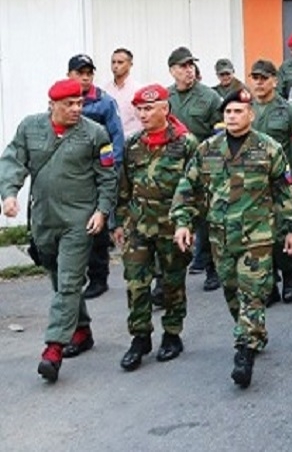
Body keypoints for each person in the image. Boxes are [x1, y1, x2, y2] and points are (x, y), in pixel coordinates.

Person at [172, 88, 292, 388]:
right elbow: (187, 188)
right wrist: (182, 222)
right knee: (232, 291)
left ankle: (244, 352)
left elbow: (285, 191)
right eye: (228, 112)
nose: (232, 116)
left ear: (251, 115)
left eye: (238, 111)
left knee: (252, 291)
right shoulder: (208, 149)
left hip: (256, 235)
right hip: (219, 236)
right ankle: (252, 331)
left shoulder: (268, 148)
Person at [0, 79, 116, 383]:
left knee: (68, 281)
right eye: (70, 104)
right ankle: (81, 329)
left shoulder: (95, 133)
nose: (77, 109)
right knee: (57, 276)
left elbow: (108, 176)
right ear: (52, 105)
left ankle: (53, 349)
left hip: (79, 221)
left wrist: (102, 211)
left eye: (80, 103)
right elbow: (13, 160)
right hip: (43, 219)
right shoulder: (30, 127)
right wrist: (9, 194)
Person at [114, 83, 199, 371]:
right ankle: (140, 338)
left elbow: (198, 188)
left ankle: (172, 334)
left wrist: (190, 224)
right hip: (138, 227)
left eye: (149, 108)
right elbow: (124, 187)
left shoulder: (186, 144)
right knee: (136, 285)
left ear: (165, 108)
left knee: (172, 283)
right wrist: (121, 222)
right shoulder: (133, 144)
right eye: (139, 108)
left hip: (172, 228)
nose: (142, 114)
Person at [246, 59, 292, 305]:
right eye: (255, 78)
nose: (259, 83)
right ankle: (269, 283)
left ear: (275, 80)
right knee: (259, 237)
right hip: (252, 186)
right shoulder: (245, 109)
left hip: (281, 184)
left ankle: (289, 274)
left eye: (264, 78)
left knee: (282, 232)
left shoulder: (289, 112)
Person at [66, 53, 125, 300]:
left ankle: (98, 277)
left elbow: (117, 138)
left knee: (96, 227)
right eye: (80, 72)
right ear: (70, 75)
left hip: (95, 173)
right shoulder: (62, 100)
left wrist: (111, 170)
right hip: (71, 173)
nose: (85, 77)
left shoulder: (104, 103)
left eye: (89, 72)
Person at [167, 46, 224, 292]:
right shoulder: (165, 97)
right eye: (183, 66)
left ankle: (213, 268)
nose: (189, 70)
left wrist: (211, 170)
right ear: (172, 71)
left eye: (191, 65)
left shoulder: (209, 97)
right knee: (173, 218)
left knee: (206, 219)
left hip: (203, 163)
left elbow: (220, 133)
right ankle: (169, 276)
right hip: (173, 165)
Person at [105, 47, 142, 137]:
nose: (115, 66)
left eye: (120, 62)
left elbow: (142, 120)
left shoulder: (138, 90)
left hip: (132, 141)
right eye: (113, 62)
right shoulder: (105, 90)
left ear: (130, 64)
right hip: (109, 141)